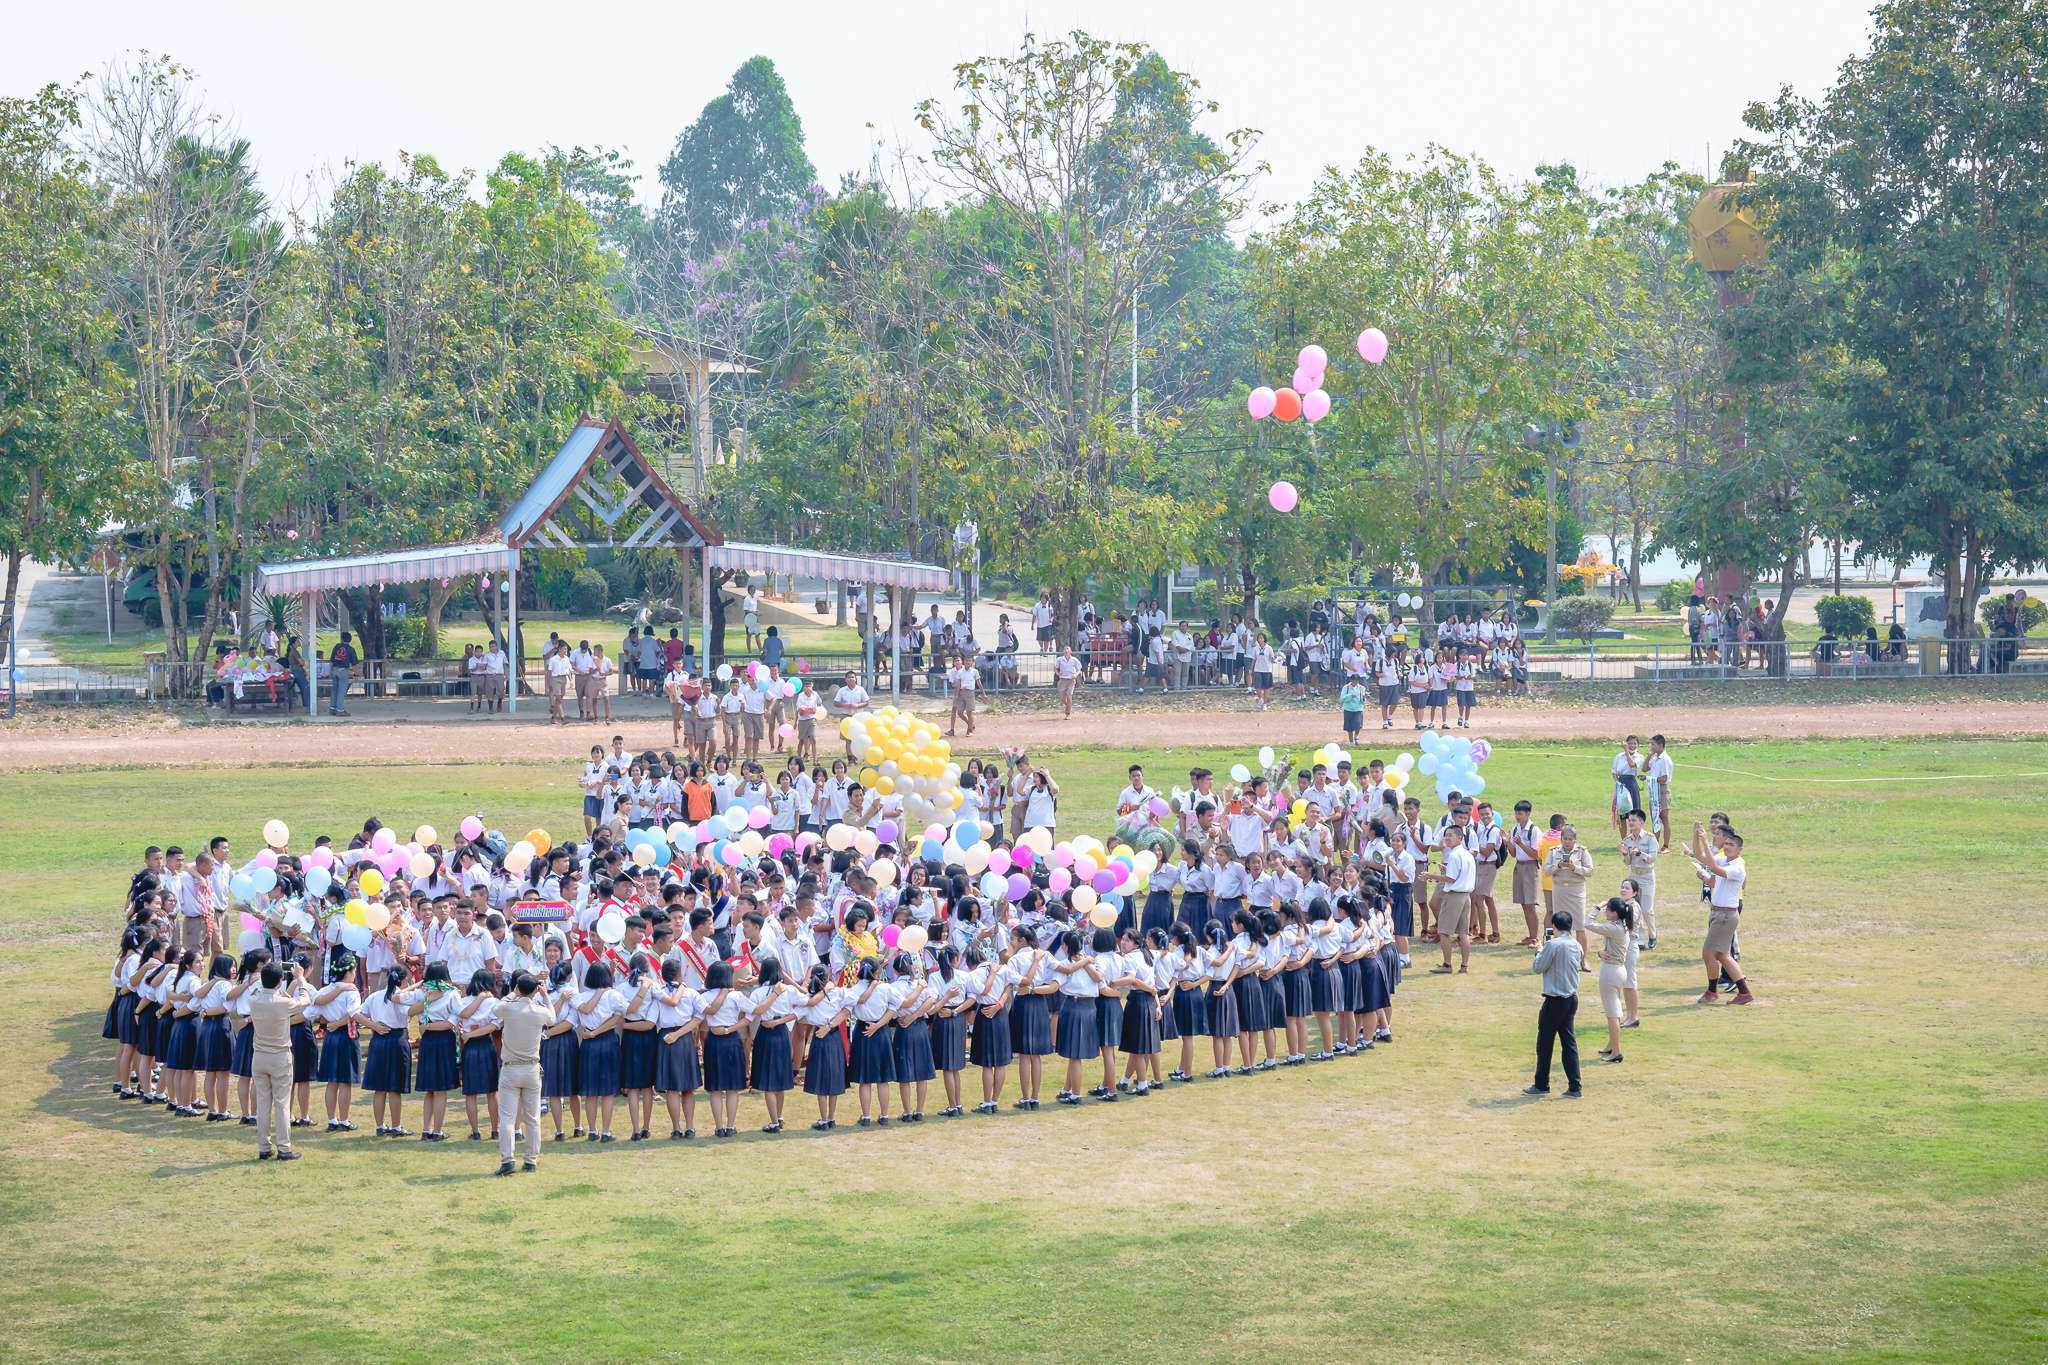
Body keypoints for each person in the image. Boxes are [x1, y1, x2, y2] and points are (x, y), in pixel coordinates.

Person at [248, 959, 312, 1158]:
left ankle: (264, 1147)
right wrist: (300, 979)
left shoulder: (254, 999)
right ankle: (284, 1147)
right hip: (279, 1056)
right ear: (279, 982)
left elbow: (265, 991)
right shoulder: (283, 1003)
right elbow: (305, 1000)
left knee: (263, 1103)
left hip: (259, 1056)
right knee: (282, 1104)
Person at [1692, 822, 1755, 1005]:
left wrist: (1705, 840)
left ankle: (1712, 991)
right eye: (1726, 844)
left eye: (1731, 845)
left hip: (1725, 916)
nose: (1727, 847)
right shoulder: (1723, 859)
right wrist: (1696, 835)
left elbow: (1714, 868)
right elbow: (1700, 856)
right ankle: (1744, 992)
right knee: (1722, 955)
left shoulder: (1737, 867)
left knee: (1708, 953)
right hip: (1720, 914)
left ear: (1739, 849)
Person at [1523, 911, 1583, 1099]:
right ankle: (1575, 1086)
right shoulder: (1576, 944)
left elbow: (1538, 967)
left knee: (1545, 1043)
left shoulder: (1552, 944)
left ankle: (1542, 1084)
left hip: (1555, 1000)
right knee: (1569, 1043)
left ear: (1554, 926)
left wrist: (1539, 951)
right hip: (1571, 998)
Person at [1584, 897, 1636, 1064]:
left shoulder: (1614, 928)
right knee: (1615, 1010)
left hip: (1611, 972)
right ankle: (1611, 1045)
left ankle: (1616, 1052)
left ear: (1614, 913)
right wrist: (1600, 953)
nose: (1605, 911)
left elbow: (1587, 922)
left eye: (1608, 909)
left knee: (1612, 1013)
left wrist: (1597, 906)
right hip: (1618, 970)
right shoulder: (1622, 926)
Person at [326, 631, 358, 717]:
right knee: (341, 691)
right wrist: (356, 673)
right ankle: (340, 710)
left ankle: (332, 709)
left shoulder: (336, 646)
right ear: (350, 640)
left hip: (334, 669)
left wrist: (330, 671)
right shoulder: (351, 649)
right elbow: (354, 663)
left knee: (334, 690)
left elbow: (331, 660)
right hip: (343, 671)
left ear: (341, 639)